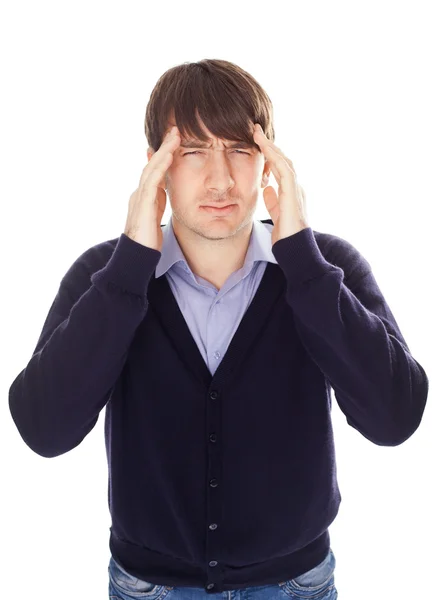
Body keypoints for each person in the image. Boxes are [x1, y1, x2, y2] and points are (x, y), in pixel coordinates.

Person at [8, 59, 429, 600]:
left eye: (240, 149)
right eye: (192, 152)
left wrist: (302, 262)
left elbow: (395, 418)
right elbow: (45, 430)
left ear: (269, 164)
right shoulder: (104, 276)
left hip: (294, 583)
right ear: (155, 167)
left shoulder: (325, 268)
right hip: (149, 586)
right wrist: (132, 266)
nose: (220, 179)